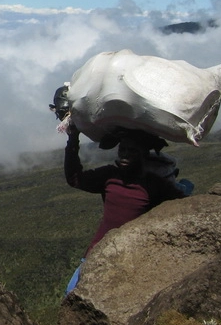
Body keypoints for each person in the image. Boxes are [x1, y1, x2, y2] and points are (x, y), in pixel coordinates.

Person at [63, 123, 190, 294]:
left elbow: (181, 206)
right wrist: (73, 139)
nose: (125, 154)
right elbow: (75, 179)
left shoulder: (153, 185)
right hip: (97, 252)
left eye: (132, 151)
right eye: (122, 149)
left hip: (130, 257)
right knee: (71, 295)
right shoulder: (109, 176)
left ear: (143, 154)